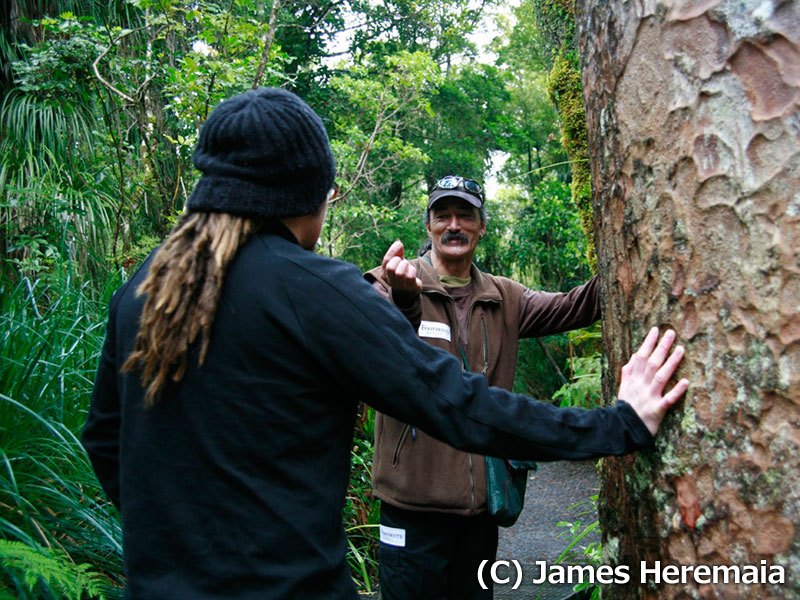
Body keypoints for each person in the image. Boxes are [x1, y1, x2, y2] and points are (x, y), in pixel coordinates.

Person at [81, 87, 689, 600]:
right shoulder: (315, 290)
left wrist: (174, 546)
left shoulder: (149, 285)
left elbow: (106, 437)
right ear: (311, 194)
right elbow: (455, 402)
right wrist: (620, 424)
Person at [364, 177, 605, 599]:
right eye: (443, 216)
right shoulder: (389, 282)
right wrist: (406, 302)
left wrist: (629, 261)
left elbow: (574, 306)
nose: (454, 225)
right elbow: (374, 344)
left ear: (481, 227)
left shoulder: (504, 297)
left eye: (465, 216)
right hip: (410, 507)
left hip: (479, 511)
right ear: (429, 227)